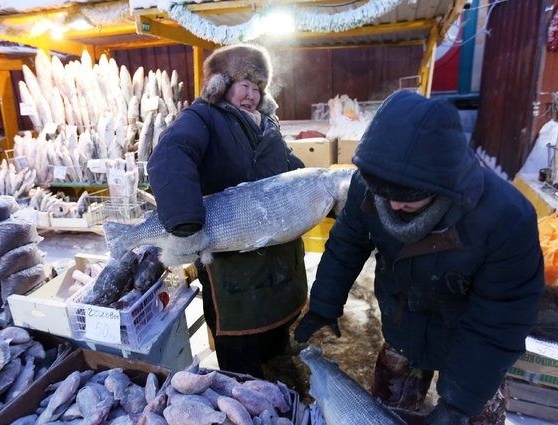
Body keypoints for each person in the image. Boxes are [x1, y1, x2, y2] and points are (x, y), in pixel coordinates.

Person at [294, 91, 544, 424]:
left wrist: (459, 403)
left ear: (443, 184)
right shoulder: (368, 185)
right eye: (386, 195)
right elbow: (347, 244)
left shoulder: (506, 217)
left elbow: (501, 316)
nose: (394, 206)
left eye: (407, 198)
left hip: (469, 336)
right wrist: (325, 302)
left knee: (473, 414)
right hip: (404, 324)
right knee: (389, 413)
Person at [148, 44, 307, 378]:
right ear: (221, 83)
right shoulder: (202, 117)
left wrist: (319, 195)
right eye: (244, 84)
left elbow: (290, 169)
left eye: (258, 87)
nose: (251, 94)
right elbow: (171, 154)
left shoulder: (268, 124)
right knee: (243, 363)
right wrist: (185, 221)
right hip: (233, 268)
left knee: (279, 349)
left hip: (278, 261)